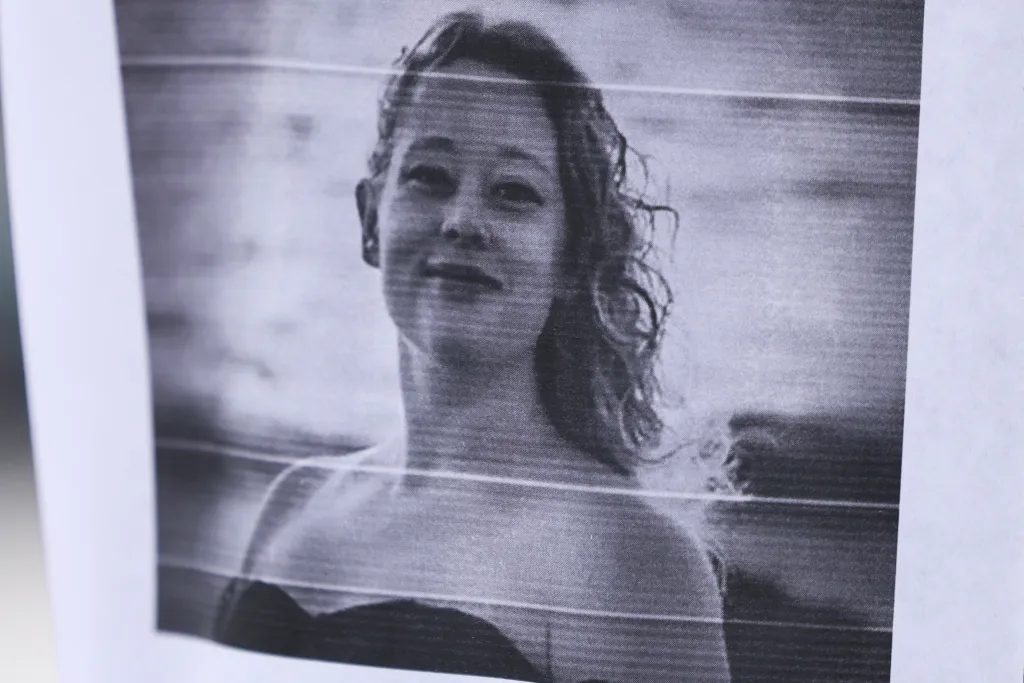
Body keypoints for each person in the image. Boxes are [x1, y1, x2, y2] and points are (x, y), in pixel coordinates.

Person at [214, 11, 734, 683]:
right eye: (429, 175)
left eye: (514, 192)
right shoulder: (294, 501)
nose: (462, 220)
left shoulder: (632, 560)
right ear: (371, 219)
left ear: (571, 259)